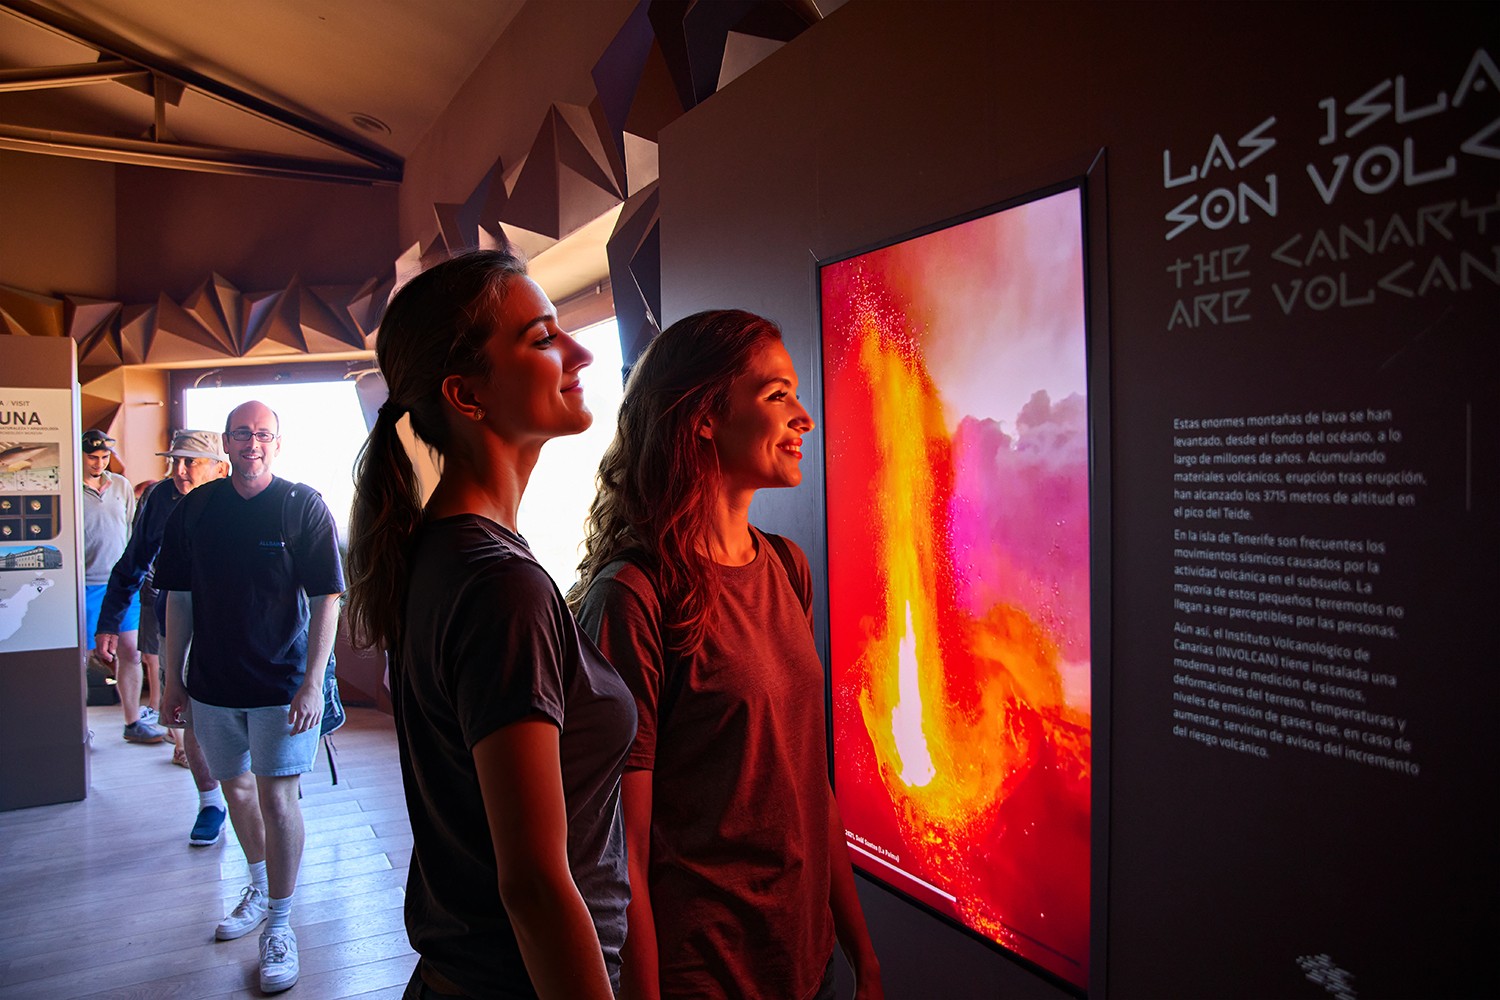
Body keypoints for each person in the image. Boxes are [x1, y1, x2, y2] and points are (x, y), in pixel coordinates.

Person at [345, 248, 635, 1000]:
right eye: (541, 339)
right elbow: (536, 885)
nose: (580, 351)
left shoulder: (449, 552)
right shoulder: (500, 585)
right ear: (466, 396)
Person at [572, 310, 883, 1000]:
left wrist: (863, 952)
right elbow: (625, 851)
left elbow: (810, 782)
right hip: (706, 976)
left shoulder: (786, 566)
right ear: (704, 416)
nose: (804, 417)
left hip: (807, 965)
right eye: (777, 396)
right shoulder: (632, 596)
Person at [155, 401, 344, 995]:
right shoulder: (197, 509)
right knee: (234, 788)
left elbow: (327, 599)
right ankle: (259, 888)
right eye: (242, 434)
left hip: (282, 688)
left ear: (277, 444)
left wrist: (314, 681)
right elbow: (178, 599)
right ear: (226, 444)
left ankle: (281, 924)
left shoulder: (300, 506)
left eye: (263, 435)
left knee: (279, 798)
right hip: (212, 685)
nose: (252, 444)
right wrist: (172, 681)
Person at [95, 429, 231, 847]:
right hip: (178, 621)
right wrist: (109, 623)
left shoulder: (243, 498)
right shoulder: (160, 499)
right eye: (175, 460)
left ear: (219, 467)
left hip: (237, 627)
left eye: (191, 461)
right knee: (188, 711)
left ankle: (259, 794)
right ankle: (210, 803)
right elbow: (133, 561)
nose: (180, 470)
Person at [80, 428, 161, 744]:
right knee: (82, 660)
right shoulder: (68, 487)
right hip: (83, 585)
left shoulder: (122, 486)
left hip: (120, 587)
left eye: (103, 457)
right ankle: (78, 728)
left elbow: (131, 532)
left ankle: (132, 722)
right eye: (92, 457)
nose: (98, 463)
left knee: (131, 651)